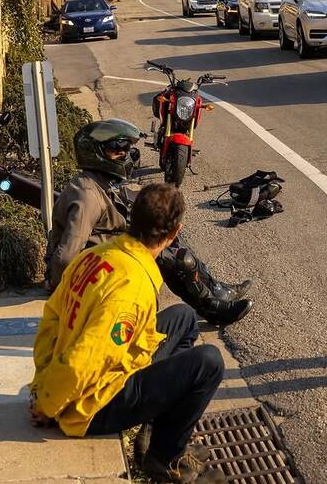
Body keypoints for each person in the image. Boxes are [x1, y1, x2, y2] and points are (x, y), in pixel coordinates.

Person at [30, 183, 226, 484]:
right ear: (174, 233)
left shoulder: (97, 255)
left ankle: (159, 426)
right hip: (91, 403)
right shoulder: (130, 290)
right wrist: (47, 403)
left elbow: (51, 319)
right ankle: (164, 458)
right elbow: (84, 360)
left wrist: (41, 376)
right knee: (209, 362)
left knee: (184, 318)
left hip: (88, 377)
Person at [45, 119, 253, 326]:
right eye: (117, 149)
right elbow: (66, 256)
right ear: (94, 152)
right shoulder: (87, 195)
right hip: (101, 266)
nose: (124, 155)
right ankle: (212, 308)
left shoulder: (96, 182)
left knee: (168, 236)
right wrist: (62, 297)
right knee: (173, 258)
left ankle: (216, 290)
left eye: (126, 149)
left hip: (107, 251)